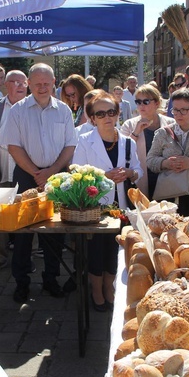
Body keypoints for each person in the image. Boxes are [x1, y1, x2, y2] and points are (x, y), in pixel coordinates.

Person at [5, 63, 77, 303]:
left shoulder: (64, 111)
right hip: (27, 175)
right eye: (37, 84)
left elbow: (70, 145)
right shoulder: (17, 111)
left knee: (54, 233)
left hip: (57, 175)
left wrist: (52, 171)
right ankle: (21, 283)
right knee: (23, 233)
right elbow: (13, 146)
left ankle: (51, 279)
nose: (42, 88)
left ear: (54, 81)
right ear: (28, 83)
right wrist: (36, 172)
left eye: (46, 83)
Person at [73, 92, 142, 311]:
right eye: (100, 114)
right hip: (95, 208)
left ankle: (110, 287)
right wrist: (105, 176)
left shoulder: (128, 143)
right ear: (92, 118)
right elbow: (76, 174)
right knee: (96, 251)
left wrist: (130, 172)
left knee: (115, 249)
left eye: (111, 112)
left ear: (118, 113)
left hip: (121, 208)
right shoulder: (84, 141)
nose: (107, 117)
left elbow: (139, 171)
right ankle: (96, 290)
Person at [0, 70, 29, 273]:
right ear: (5, 85)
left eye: (22, 82)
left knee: (25, 217)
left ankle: (25, 260)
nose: (19, 85)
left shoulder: (32, 107)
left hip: (25, 171)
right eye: (14, 82)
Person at [146, 87, 189, 216]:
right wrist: (165, 163)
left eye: (183, 110)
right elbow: (150, 160)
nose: (178, 114)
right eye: (175, 110)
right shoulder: (162, 133)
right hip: (169, 195)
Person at [120, 84, 176, 198]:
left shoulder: (171, 123)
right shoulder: (129, 125)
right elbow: (122, 151)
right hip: (141, 178)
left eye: (146, 101)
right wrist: (136, 132)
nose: (141, 105)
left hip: (166, 176)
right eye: (138, 102)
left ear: (157, 103)